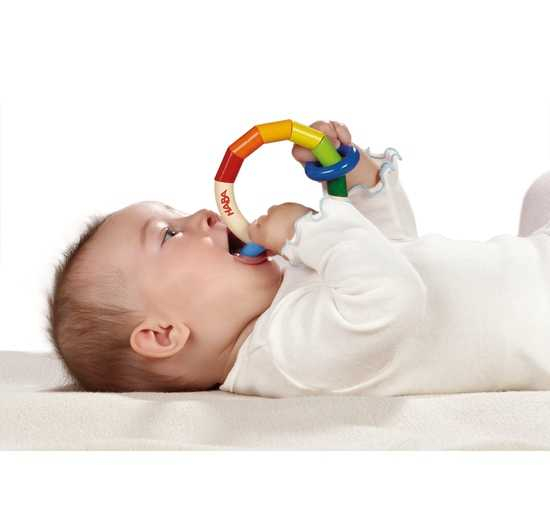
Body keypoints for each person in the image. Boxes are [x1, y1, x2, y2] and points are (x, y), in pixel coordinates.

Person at [47, 120, 550, 396]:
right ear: (164, 334)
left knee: (541, 190)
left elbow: (391, 252)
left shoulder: (280, 304)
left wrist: (355, 180)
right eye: (169, 234)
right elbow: (394, 297)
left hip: (531, 264)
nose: (203, 214)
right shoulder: (288, 356)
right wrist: (311, 227)